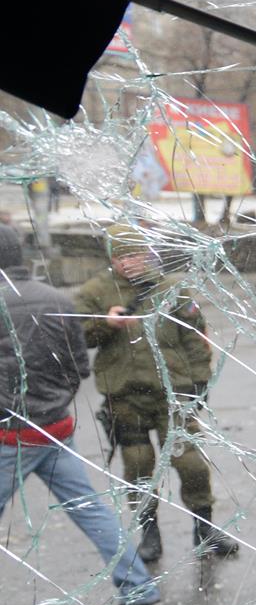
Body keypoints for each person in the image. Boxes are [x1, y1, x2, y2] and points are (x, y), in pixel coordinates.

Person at [0, 224, 158, 605]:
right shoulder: (59, 299)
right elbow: (77, 370)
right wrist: (52, 402)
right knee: (91, 509)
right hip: (55, 427)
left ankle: (138, 586)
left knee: (90, 508)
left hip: (10, 435)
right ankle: (137, 587)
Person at [72, 224, 238, 561]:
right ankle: (150, 533)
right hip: (124, 394)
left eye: (135, 254)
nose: (129, 262)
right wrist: (106, 323)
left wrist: (199, 384)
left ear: (147, 254)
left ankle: (204, 530)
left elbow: (194, 337)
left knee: (189, 461)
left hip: (172, 392)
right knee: (138, 464)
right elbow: (77, 336)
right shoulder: (95, 291)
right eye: (121, 256)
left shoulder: (171, 287)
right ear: (111, 259)